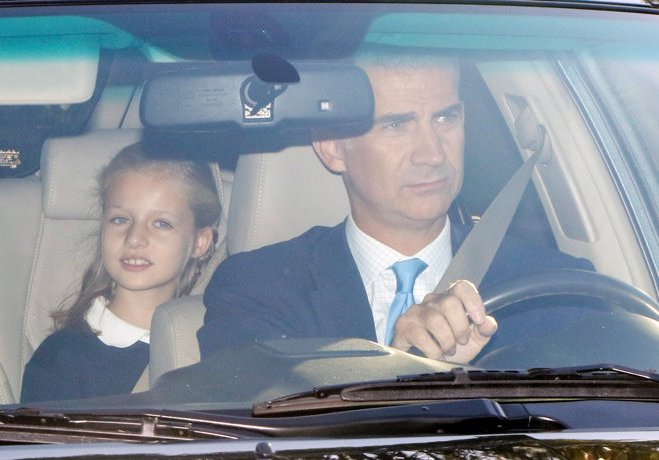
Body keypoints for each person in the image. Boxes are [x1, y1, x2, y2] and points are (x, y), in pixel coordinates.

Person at [197, 48, 593, 363]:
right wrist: (398, 365)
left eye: (445, 118)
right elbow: (252, 418)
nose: (432, 154)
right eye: (396, 125)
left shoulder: (556, 286)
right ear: (333, 147)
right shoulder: (259, 289)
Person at [21, 142, 221, 403]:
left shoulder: (216, 347)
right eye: (121, 219)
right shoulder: (61, 360)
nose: (135, 238)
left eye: (161, 223)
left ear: (200, 242)